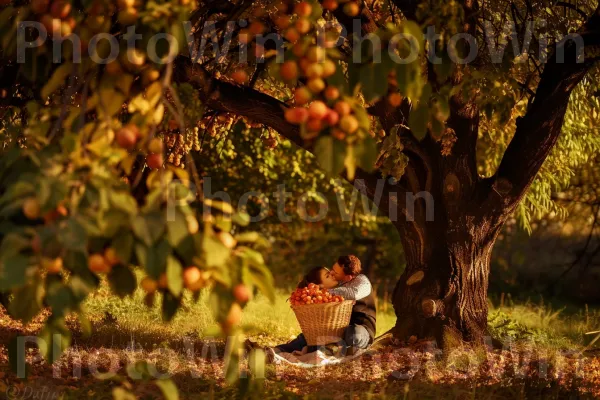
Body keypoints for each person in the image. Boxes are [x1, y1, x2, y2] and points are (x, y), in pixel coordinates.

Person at [275, 256, 376, 354]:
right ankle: (279, 350)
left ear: (347, 275)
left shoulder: (362, 281)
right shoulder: (337, 287)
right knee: (311, 335)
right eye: (332, 269)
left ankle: (340, 351)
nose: (332, 272)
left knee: (353, 333)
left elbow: (353, 293)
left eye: (335, 272)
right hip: (338, 330)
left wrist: (321, 292)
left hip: (361, 329)